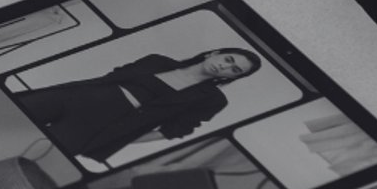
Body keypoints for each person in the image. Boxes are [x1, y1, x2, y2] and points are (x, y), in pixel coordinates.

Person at [14, 48, 261, 170]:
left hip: (100, 125)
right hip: (76, 96)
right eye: (228, 59)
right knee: (12, 114)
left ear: (233, 77)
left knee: (32, 158)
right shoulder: (158, 60)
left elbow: (174, 131)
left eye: (235, 70)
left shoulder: (213, 100)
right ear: (215, 53)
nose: (225, 66)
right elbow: (113, 76)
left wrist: (122, 137)